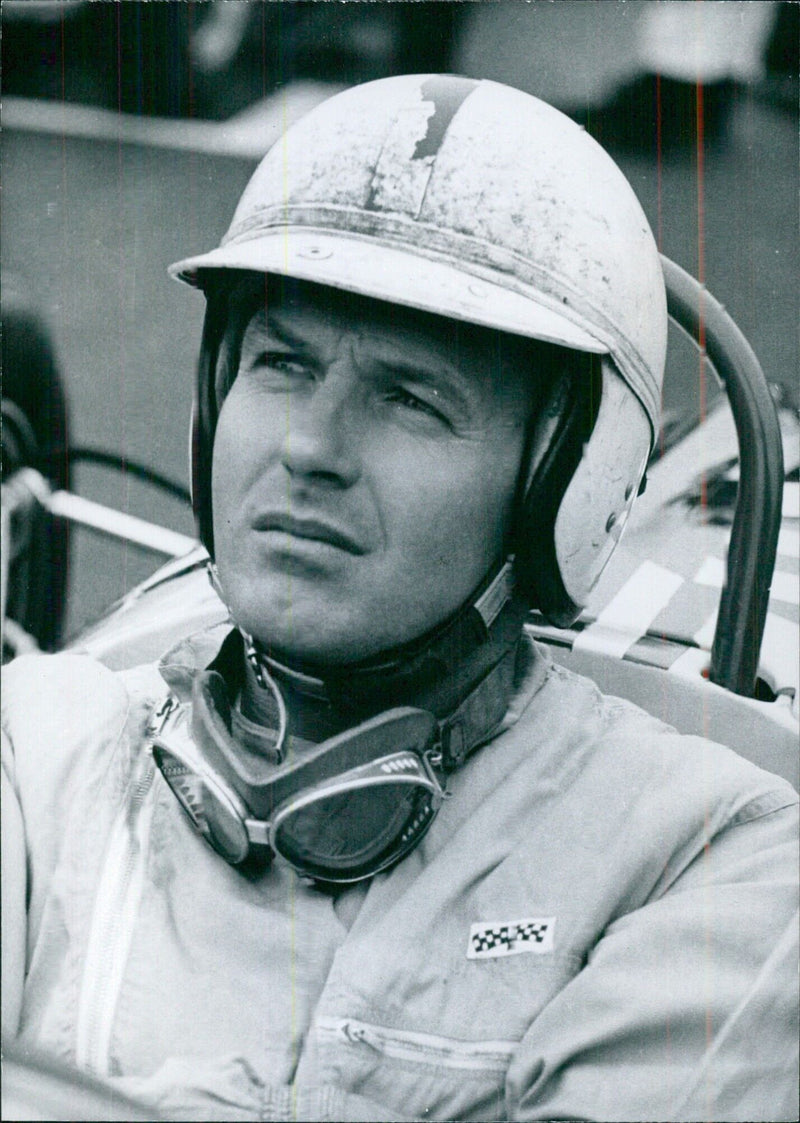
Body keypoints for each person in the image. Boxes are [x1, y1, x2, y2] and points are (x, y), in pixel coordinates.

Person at [2, 75, 797, 1122]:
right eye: (281, 364)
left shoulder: (712, 853)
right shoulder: (40, 742)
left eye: (410, 399)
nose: (305, 448)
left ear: (563, 485)